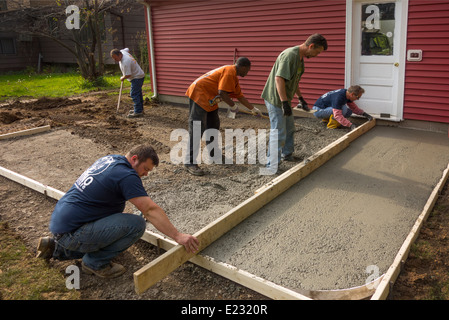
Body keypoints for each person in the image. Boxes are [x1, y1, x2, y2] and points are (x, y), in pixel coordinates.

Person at [36, 144, 199, 278]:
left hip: (63, 225)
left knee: (120, 219)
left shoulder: (110, 160)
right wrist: (178, 236)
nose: (145, 174)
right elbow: (150, 209)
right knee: (136, 224)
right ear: (134, 159)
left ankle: (55, 247)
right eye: (145, 169)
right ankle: (94, 263)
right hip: (72, 232)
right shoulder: (126, 175)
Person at [184, 57, 263, 176]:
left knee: (214, 124)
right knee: (197, 128)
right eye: (248, 70)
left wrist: (253, 109)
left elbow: (240, 96)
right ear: (243, 68)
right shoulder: (229, 72)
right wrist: (232, 106)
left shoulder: (234, 77)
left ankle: (214, 154)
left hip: (210, 99)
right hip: (199, 94)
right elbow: (222, 92)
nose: (247, 73)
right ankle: (189, 162)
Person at [261, 34, 328, 174]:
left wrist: (301, 98)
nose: (317, 55)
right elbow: (279, 79)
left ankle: (287, 154)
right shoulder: (290, 55)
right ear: (311, 46)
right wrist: (284, 103)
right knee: (278, 131)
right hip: (275, 99)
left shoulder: (300, 58)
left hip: (285, 99)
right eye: (317, 52)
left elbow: (294, 80)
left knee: (290, 128)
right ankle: (271, 165)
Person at [110, 48, 146, 118]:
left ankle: (138, 112)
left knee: (134, 94)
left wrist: (122, 78)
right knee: (138, 93)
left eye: (115, 58)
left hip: (137, 78)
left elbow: (128, 75)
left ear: (120, 55)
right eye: (113, 58)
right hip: (139, 75)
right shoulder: (123, 52)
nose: (115, 60)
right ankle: (139, 109)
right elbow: (127, 49)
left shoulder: (125, 62)